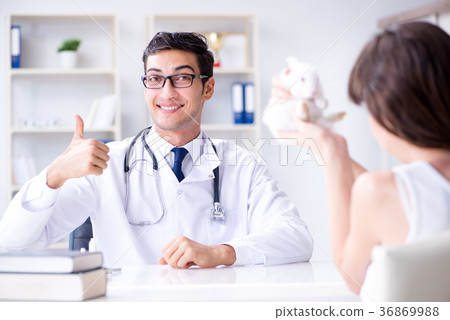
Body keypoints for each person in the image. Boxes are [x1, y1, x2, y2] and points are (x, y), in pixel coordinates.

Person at [0, 32, 313, 269]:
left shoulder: (241, 163)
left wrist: (220, 252)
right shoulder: (107, 165)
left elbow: (296, 237)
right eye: (155, 78)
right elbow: (13, 242)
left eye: (182, 77)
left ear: (208, 88)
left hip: (217, 308)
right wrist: (54, 175)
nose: (166, 92)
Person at [270, 21, 450, 294]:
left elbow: (351, 278)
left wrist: (330, 151)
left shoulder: (377, 192)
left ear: (389, 111)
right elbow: (406, 195)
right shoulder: (392, 192)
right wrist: (331, 146)